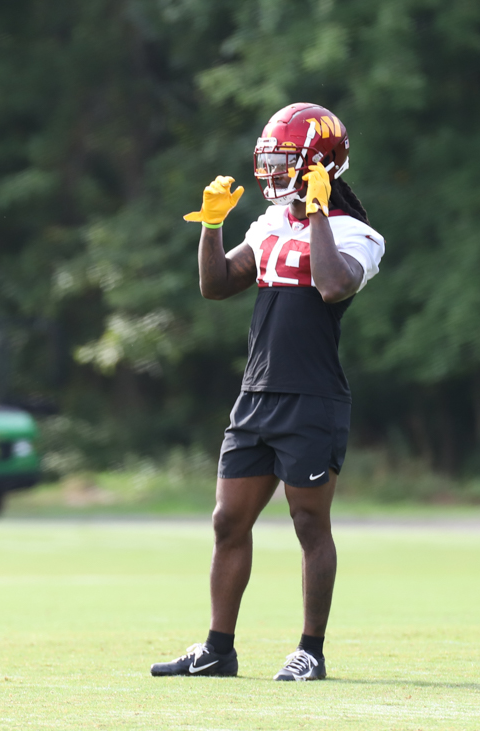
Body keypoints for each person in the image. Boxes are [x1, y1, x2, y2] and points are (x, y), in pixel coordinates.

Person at [150, 102, 385, 681]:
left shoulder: (358, 234)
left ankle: (311, 651)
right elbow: (216, 285)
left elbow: (332, 285)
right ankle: (218, 649)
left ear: (320, 165)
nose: (275, 173)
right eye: (272, 162)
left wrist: (319, 212)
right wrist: (211, 225)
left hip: (312, 398)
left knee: (309, 525)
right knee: (227, 521)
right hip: (256, 395)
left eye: (287, 161)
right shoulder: (271, 222)